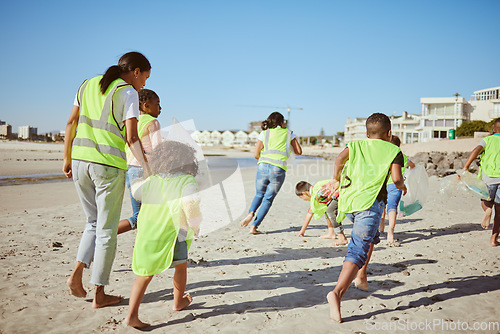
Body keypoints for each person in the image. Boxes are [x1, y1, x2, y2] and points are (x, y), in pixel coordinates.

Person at [63, 52, 152, 308]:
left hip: (80, 161)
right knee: (106, 232)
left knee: (92, 222)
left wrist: (66, 158)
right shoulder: (128, 92)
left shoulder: (87, 83)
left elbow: (71, 122)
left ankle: (77, 274)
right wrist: (147, 168)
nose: (144, 83)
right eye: (145, 77)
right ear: (135, 71)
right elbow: (132, 138)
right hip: (108, 166)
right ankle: (99, 294)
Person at [323, 113, 407, 323]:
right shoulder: (394, 150)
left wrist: (335, 178)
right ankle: (337, 293)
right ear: (389, 133)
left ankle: (361, 276)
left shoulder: (356, 145)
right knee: (358, 250)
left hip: (349, 202)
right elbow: (396, 178)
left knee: (369, 239)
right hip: (369, 205)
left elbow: (339, 159)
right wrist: (402, 186)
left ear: (367, 133)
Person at [124, 141, 202, 328]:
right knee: (181, 267)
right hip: (177, 231)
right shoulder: (186, 181)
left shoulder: (152, 180)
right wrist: (196, 224)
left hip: (150, 231)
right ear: (186, 162)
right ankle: (178, 302)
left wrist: (141, 177)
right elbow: (190, 204)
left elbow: (136, 193)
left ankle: (131, 315)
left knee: (144, 273)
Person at [240, 112, 302, 234]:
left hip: (263, 166)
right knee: (267, 199)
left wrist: (265, 160)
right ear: (281, 122)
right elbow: (299, 151)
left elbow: (256, 154)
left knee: (259, 194)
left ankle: (251, 213)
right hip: (278, 168)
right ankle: (254, 227)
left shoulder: (264, 133)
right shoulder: (289, 133)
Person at [118, 89, 163, 234]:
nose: (160, 108)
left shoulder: (132, 122)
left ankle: (103, 233)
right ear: (145, 105)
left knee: (138, 216)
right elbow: (157, 150)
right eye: (157, 104)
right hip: (146, 171)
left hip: (130, 170)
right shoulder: (153, 122)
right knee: (154, 213)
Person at [462, 117, 500, 247]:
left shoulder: (487, 140)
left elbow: (476, 150)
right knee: (499, 211)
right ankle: (494, 239)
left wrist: (466, 166)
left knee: (486, 202)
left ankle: (487, 210)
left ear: (493, 129)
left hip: (489, 178)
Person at [379, 135, 415, 244]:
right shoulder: (403, 157)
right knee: (392, 207)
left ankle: (381, 227)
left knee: (382, 205)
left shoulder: (385, 156)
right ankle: (391, 231)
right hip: (397, 185)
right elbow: (412, 165)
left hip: (384, 184)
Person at [295, 180, 348, 246]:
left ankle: (342, 237)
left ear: (305, 193)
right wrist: (302, 231)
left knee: (330, 210)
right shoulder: (316, 190)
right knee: (326, 209)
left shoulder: (318, 194)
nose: (303, 199)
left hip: (342, 194)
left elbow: (310, 214)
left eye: (301, 197)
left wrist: (302, 231)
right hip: (338, 195)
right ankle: (331, 233)